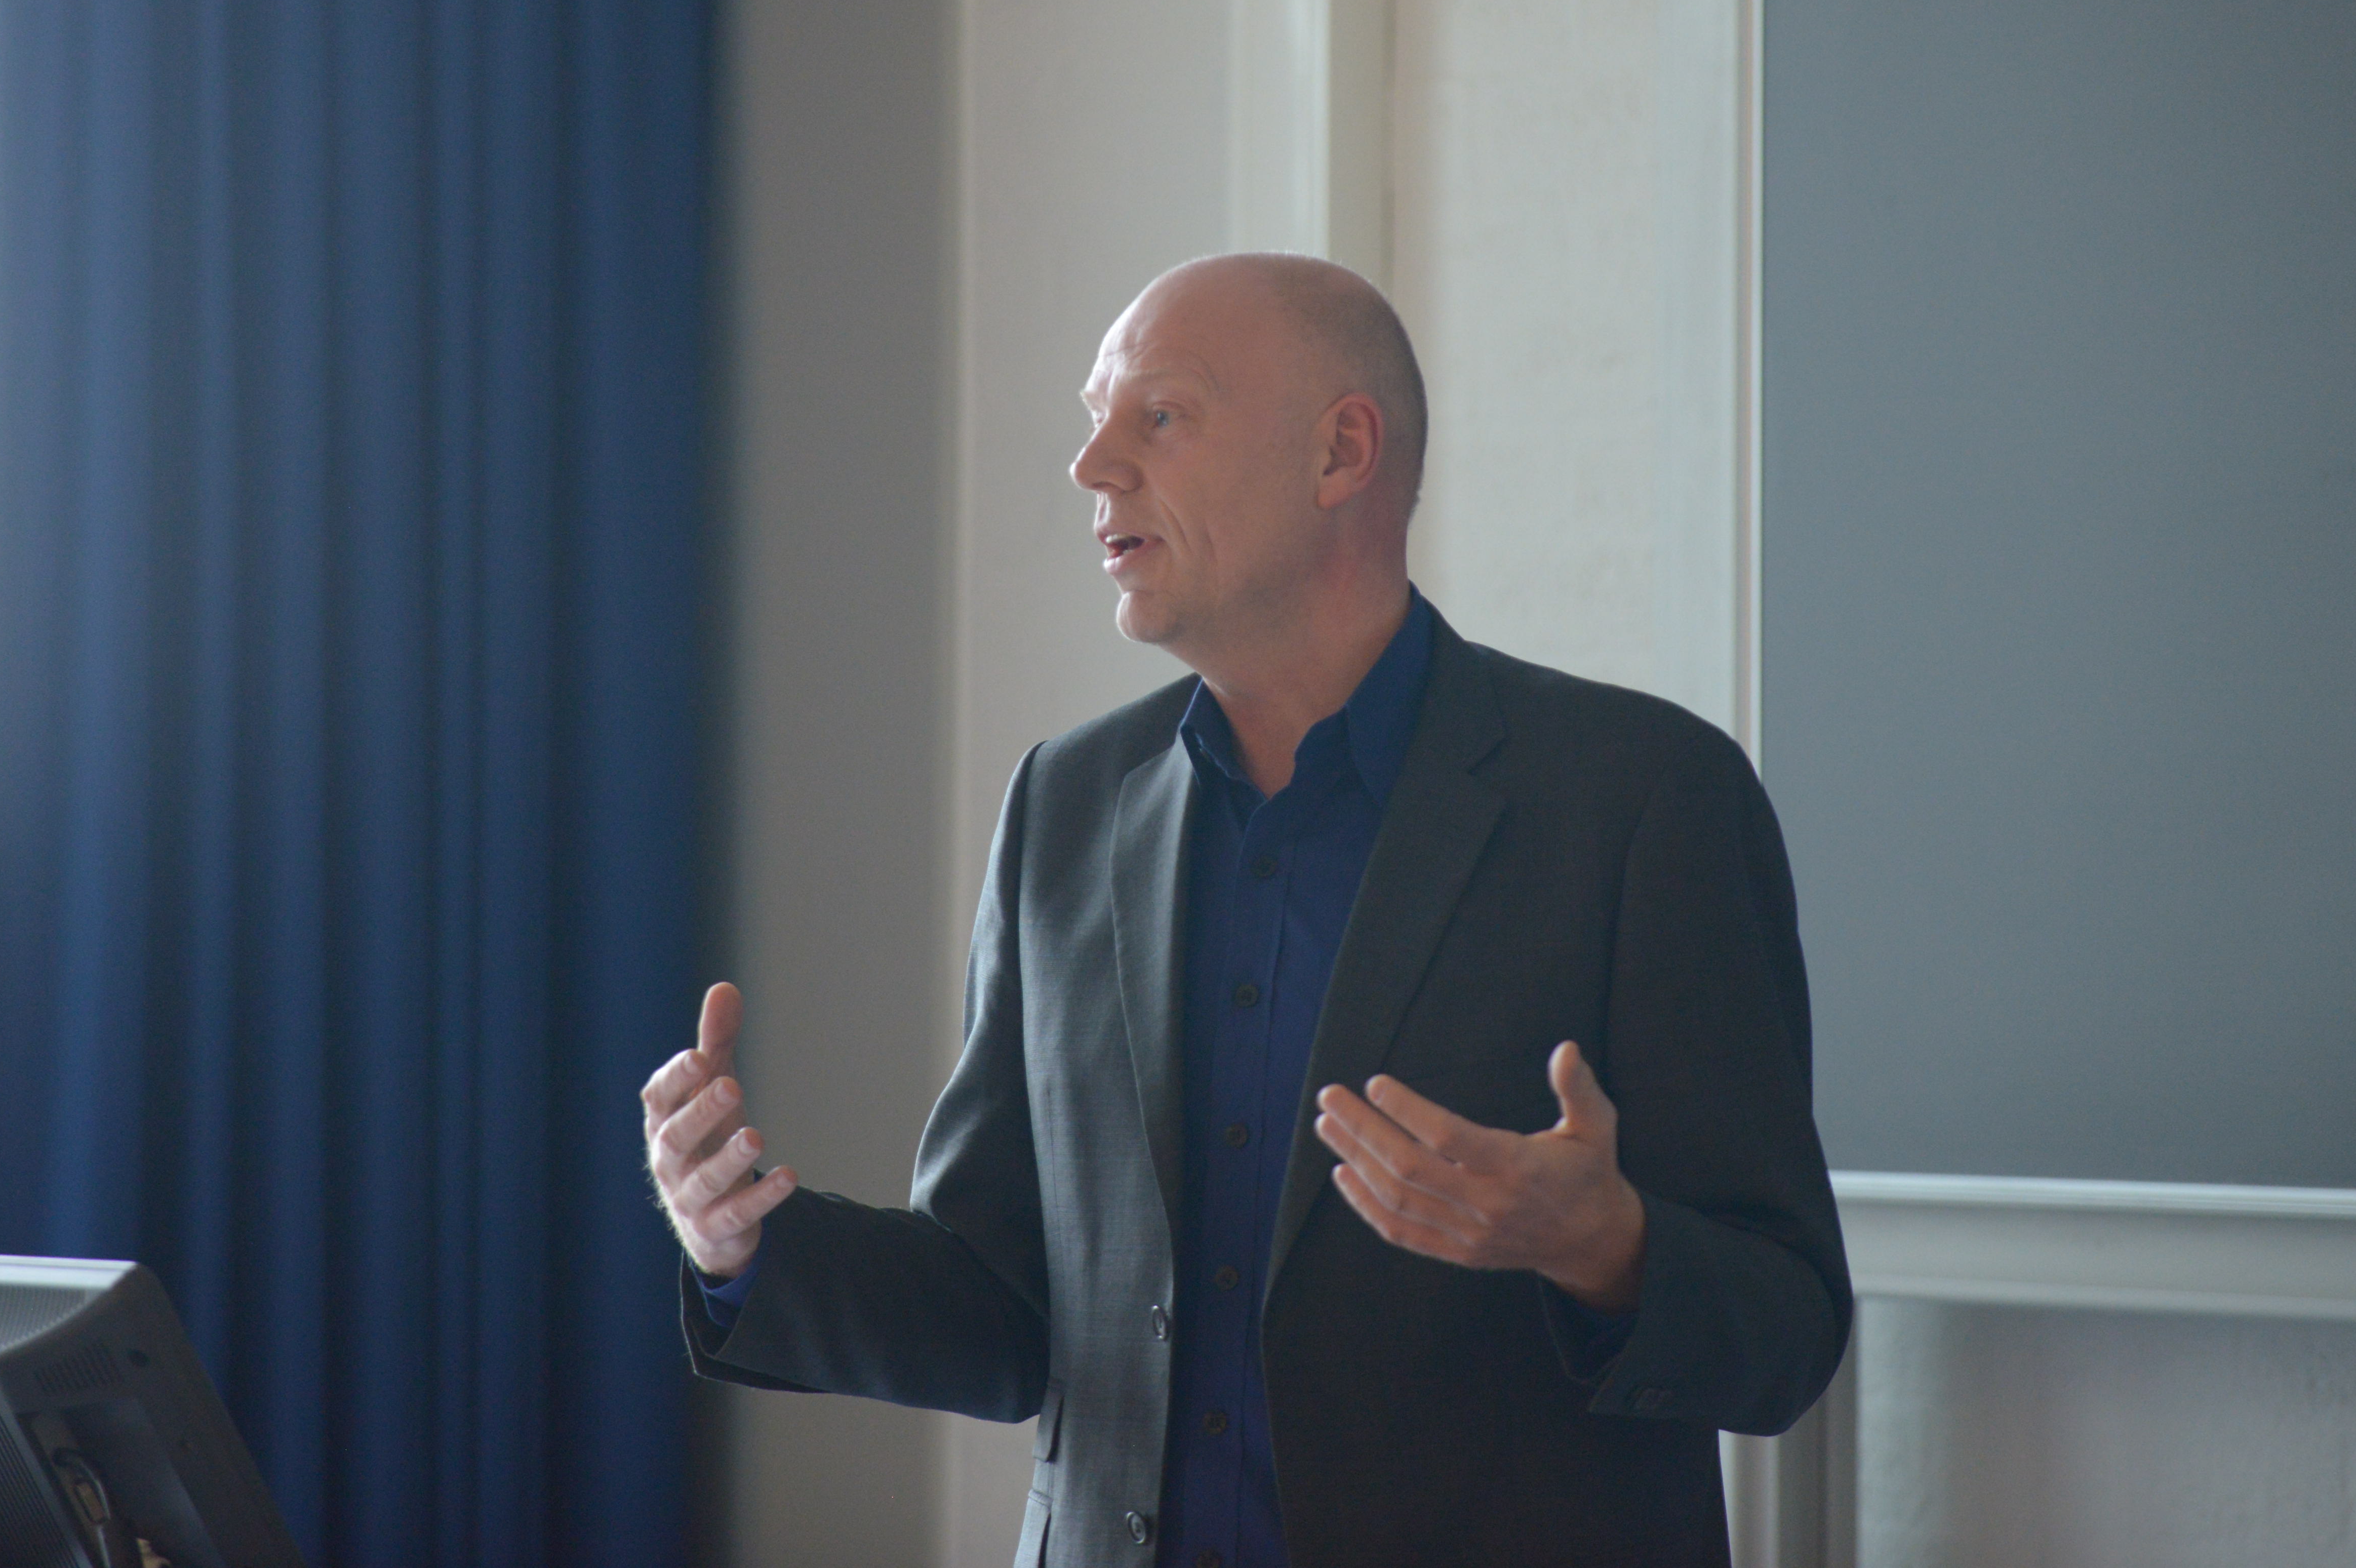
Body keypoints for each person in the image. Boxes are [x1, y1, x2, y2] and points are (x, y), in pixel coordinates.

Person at [642, 254, 1849, 1567]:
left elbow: (1787, 1334)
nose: (1092, 465)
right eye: (1094, 420)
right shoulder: (1067, 803)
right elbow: (1005, 1306)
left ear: (1342, 453)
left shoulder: (1643, 797)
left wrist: (1606, 1247)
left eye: (1159, 415)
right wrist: (744, 1243)